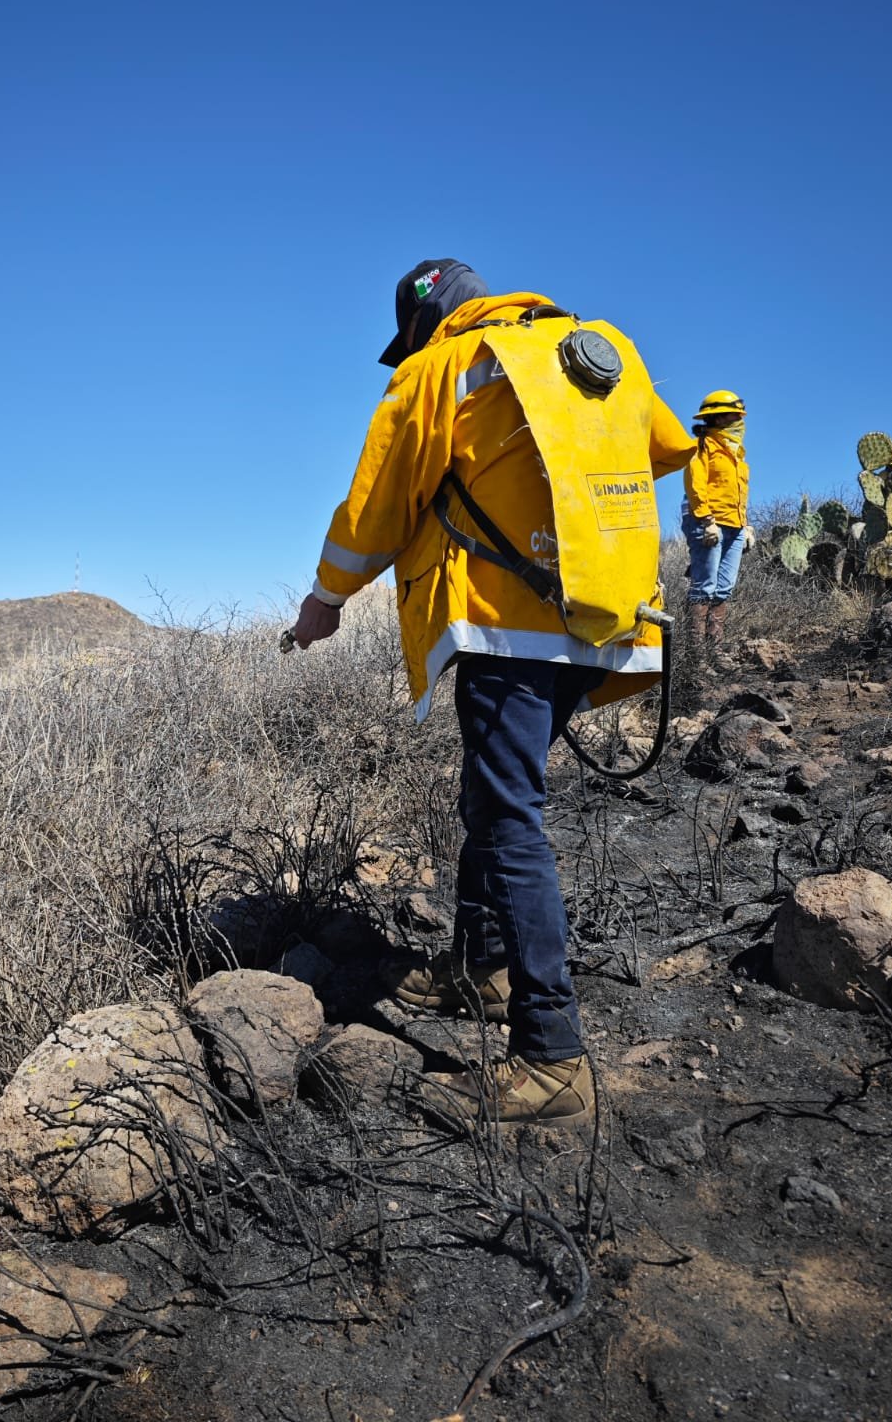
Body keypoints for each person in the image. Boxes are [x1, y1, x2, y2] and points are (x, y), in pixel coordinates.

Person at [290, 259, 694, 1129]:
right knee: (491, 794)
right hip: (601, 615)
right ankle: (483, 966)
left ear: (422, 322)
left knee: (509, 816)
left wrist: (325, 601)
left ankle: (551, 1056)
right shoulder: (599, 344)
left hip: (508, 622)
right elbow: (664, 445)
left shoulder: (441, 367)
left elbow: (377, 506)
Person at [681, 391, 754, 662]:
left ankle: (716, 654)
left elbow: (736, 493)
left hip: (735, 526)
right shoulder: (703, 447)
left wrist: (746, 525)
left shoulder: (736, 453)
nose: (739, 421)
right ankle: (697, 659)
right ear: (719, 418)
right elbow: (695, 484)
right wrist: (706, 520)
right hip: (709, 524)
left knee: (724, 589)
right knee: (704, 588)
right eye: (735, 415)